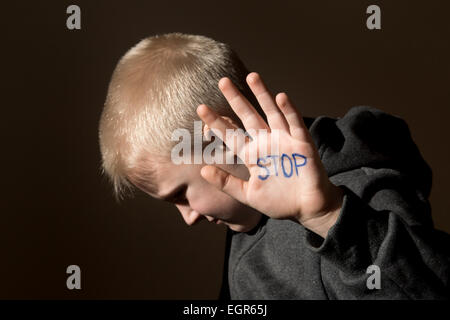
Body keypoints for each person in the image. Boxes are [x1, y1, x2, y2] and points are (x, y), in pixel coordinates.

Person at [98, 32, 449, 299]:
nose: (188, 217)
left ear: (225, 139)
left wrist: (328, 216)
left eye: (181, 195)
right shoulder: (246, 217)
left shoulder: (359, 187)